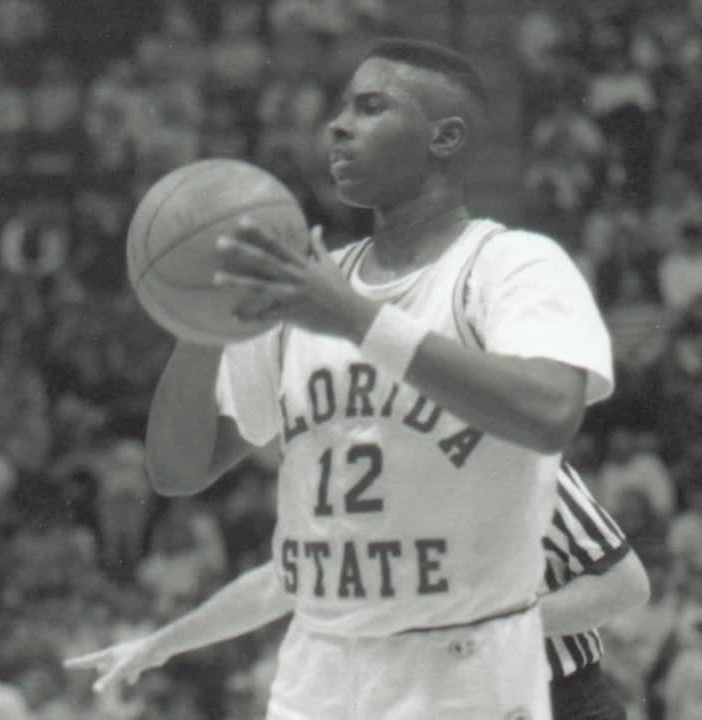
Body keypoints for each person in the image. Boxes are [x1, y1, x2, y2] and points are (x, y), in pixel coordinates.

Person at [139, 37, 614, 720]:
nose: (337, 125)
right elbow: (176, 470)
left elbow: (549, 413)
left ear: (444, 138)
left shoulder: (509, 266)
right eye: (339, 108)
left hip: (465, 669)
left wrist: (355, 318)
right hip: (319, 670)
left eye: (370, 108)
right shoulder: (303, 287)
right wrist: (201, 318)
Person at [68, 464, 647, 720]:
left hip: (559, 698)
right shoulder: (360, 488)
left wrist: (487, 624)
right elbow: (279, 582)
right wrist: (162, 644)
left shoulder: (525, 463)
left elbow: (625, 586)